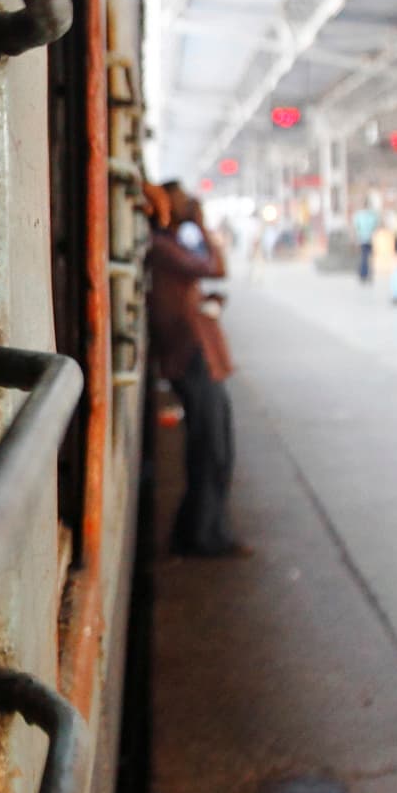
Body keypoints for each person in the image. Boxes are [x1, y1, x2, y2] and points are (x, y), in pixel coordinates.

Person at [146, 181, 245, 557]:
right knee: (211, 448)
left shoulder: (167, 244)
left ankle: (204, 530)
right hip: (189, 355)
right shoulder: (163, 247)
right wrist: (202, 224)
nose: (190, 206)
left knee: (213, 447)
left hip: (193, 353)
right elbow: (217, 266)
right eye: (183, 202)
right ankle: (203, 535)